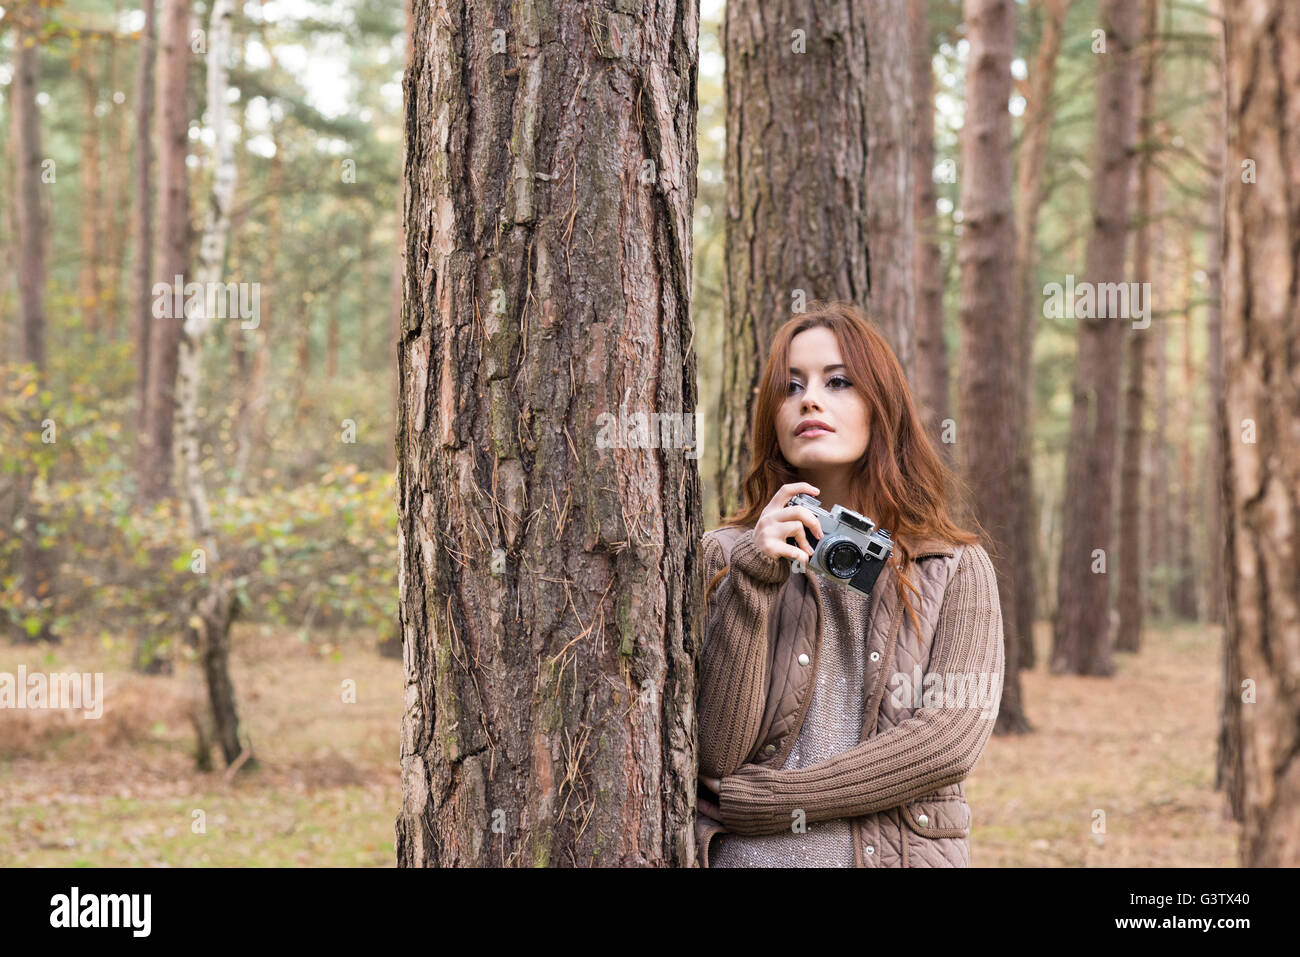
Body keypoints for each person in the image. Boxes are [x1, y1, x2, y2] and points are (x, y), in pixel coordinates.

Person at [696, 300, 1005, 867]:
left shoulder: (952, 566)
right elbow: (717, 751)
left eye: (837, 381)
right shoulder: (726, 555)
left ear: (880, 405)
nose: (809, 398)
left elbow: (948, 743)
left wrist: (773, 800)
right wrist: (754, 582)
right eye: (790, 387)